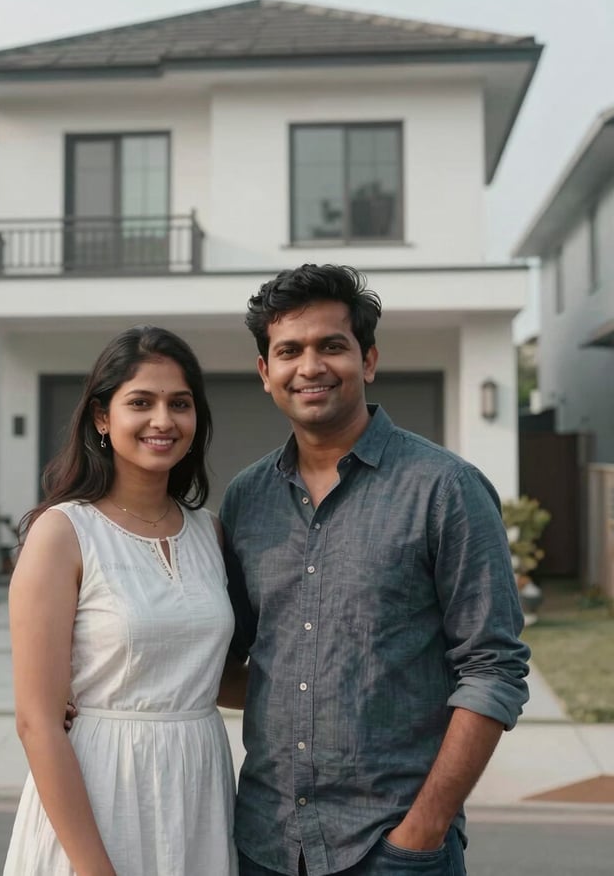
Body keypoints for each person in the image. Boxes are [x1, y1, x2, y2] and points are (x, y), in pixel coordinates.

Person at [219, 264, 530, 876]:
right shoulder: (245, 499)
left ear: (368, 360)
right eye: (289, 351)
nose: (310, 367)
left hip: (394, 847)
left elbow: (494, 668)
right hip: (266, 844)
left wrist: (423, 830)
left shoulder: (445, 489)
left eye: (331, 346)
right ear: (265, 373)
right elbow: (220, 657)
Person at [3, 325, 238, 876]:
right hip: (100, 791)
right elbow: (37, 722)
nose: (164, 420)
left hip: (199, 788)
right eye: (141, 402)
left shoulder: (211, 533)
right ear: (102, 418)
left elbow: (210, 673)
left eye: (180, 404)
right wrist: (93, 869)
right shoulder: (63, 533)